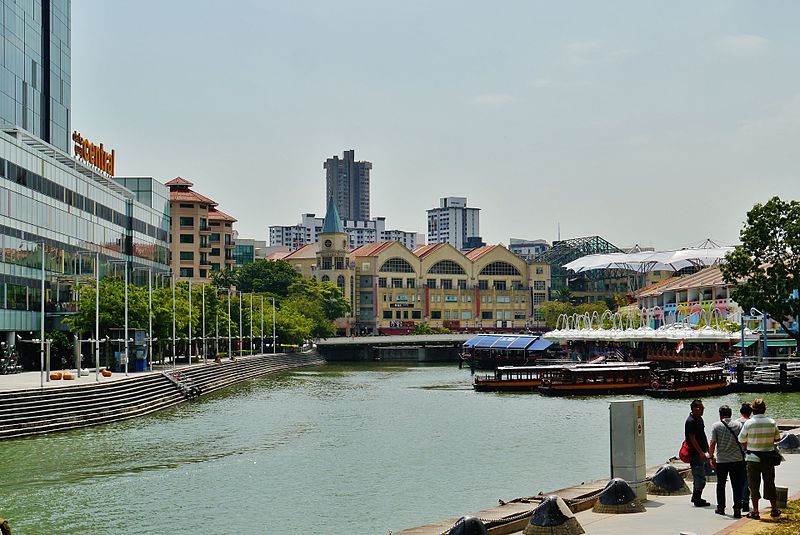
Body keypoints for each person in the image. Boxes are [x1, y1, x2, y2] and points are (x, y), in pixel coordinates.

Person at [738, 398, 782, 519]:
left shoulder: (749, 423)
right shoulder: (772, 422)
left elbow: (741, 439)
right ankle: (774, 509)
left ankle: (756, 511)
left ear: (753, 410)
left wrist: (750, 444)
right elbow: (777, 439)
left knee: (753, 485)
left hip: (752, 458)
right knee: (770, 483)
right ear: (765, 409)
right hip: (768, 458)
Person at [708, 405, 746, 518]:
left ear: (720, 414)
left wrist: (711, 457)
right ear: (730, 414)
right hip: (737, 459)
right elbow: (743, 440)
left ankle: (721, 508)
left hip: (722, 460)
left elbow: (713, 443)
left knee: (721, 484)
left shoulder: (716, 426)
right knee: (736, 485)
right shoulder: (738, 425)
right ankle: (737, 509)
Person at [685, 399, 711, 506]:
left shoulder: (699, 419)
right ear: (695, 409)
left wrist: (708, 450)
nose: (702, 410)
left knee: (700, 475)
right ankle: (697, 498)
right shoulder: (691, 421)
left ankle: (696, 497)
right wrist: (700, 452)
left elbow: (703, 435)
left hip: (701, 450)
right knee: (699, 475)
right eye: (701, 408)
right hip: (695, 453)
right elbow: (692, 439)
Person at [737, 402, 753, 512]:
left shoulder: (736, 423)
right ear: (751, 412)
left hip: (737, 454)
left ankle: (738, 501)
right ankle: (745, 501)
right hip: (749, 453)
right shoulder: (752, 423)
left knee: (738, 479)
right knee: (748, 478)